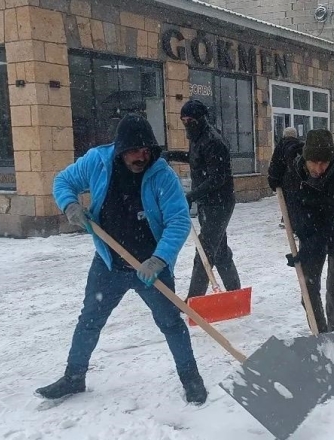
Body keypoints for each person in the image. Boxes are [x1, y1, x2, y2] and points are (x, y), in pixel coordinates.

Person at [37, 113, 207, 404]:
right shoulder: (98, 162)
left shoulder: (162, 174)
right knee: (90, 320)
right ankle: (74, 377)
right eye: (134, 150)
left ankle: (191, 378)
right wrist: (70, 205)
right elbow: (63, 180)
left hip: (151, 267)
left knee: (170, 323)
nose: (142, 156)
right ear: (120, 149)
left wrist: (159, 259)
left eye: (147, 150)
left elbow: (178, 221)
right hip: (109, 264)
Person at [279, 129, 334, 333]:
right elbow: (296, 210)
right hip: (312, 233)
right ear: (305, 159)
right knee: (308, 288)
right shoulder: (295, 174)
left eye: (324, 162)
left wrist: (307, 249)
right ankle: (320, 335)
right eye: (314, 162)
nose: (319, 168)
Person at [165, 99, 242, 299]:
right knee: (220, 251)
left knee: (204, 252)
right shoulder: (198, 138)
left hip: (220, 204)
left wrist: (191, 196)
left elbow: (217, 178)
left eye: (190, 120)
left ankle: (194, 300)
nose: (186, 124)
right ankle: (235, 294)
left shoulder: (213, 141)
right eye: (183, 120)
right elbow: (195, 159)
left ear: (200, 119)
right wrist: (169, 154)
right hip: (207, 203)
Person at [269, 126, 305, 226]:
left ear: (284, 135)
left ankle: (288, 221)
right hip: (298, 179)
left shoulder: (280, 146)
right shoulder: (300, 146)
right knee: (297, 200)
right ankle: (294, 221)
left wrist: (274, 180)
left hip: (286, 180)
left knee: (287, 200)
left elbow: (275, 165)